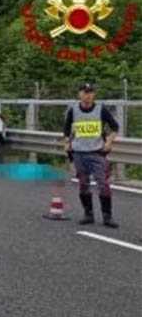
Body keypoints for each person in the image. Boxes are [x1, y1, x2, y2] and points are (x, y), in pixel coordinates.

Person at [63, 83, 120, 228]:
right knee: (83, 185)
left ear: (94, 94)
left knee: (103, 185)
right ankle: (88, 214)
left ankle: (107, 216)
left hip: (97, 153)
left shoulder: (101, 109)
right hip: (79, 153)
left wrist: (108, 142)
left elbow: (115, 127)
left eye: (90, 92)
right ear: (79, 94)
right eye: (85, 92)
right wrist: (67, 143)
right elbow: (66, 130)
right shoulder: (73, 110)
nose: (88, 95)